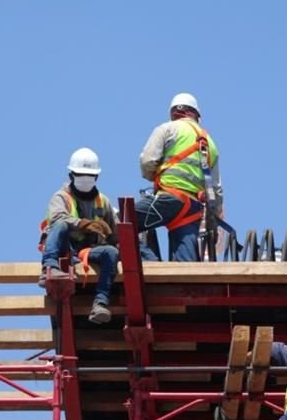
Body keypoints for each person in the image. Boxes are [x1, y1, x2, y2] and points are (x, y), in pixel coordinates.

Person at [136, 92, 223, 261]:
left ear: (173, 113)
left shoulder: (167, 129)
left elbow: (147, 161)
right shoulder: (211, 144)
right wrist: (214, 220)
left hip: (168, 199)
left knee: (123, 223)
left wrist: (151, 176)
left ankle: (152, 264)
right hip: (192, 209)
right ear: (196, 115)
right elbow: (216, 190)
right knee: (186, 265)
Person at [38, 147, 119, 324]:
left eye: (89, 175)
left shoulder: (103, 201)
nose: (85, 179)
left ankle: (100, 303)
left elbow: (115, 235)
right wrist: (83, 224)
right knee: (59, 225)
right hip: (65, 251)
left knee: (111, 252)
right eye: (81, 174)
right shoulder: (61, 197)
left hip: (88, 252)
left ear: (97, 177)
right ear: (71, 175)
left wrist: (120, 244)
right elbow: (57, 218)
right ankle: (49, 269)